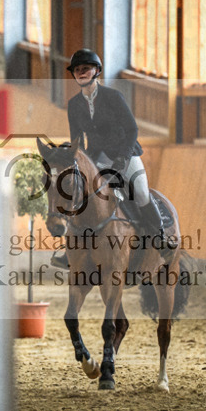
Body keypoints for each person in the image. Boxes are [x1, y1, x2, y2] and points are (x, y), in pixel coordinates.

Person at [50, 48, 168, 269]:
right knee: (81, 198)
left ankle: (160, 239)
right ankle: (71, 253)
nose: (81, 73)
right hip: (97, 159)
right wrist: (79, 162)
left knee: (141, 193)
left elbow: (132, 129)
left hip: (126, 153)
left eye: (85, 69)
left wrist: (123, 158)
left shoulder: (113, 97)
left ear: (96, 71)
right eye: (77, 70)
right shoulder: (74, 105)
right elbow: (77, 140)